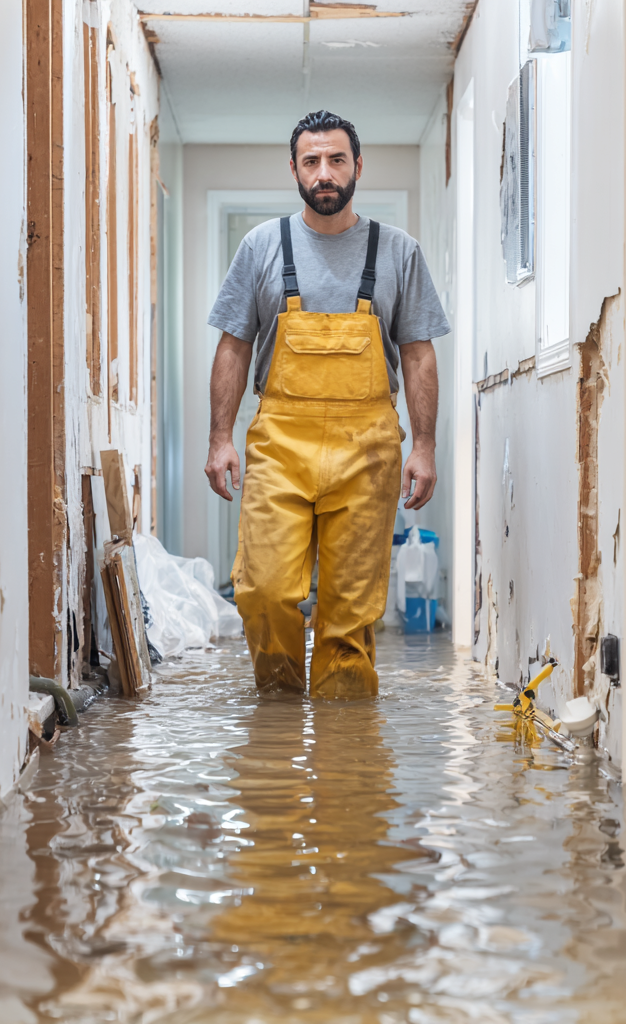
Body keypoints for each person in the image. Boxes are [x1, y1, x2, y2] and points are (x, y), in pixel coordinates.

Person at [204, 110, 450, 700]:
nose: (324, 173)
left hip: (367, 449)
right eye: (311, 161)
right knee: (261, 591)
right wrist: (219, 439)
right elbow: (234, 347)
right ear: (294, 168)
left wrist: (424, 445)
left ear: (357, 166)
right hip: (280, 445)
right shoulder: (262, 245)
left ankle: (348, 770)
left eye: (336, 159)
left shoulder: (399, 252)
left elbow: (417, 355)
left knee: (350, 618)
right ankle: (279, 722)